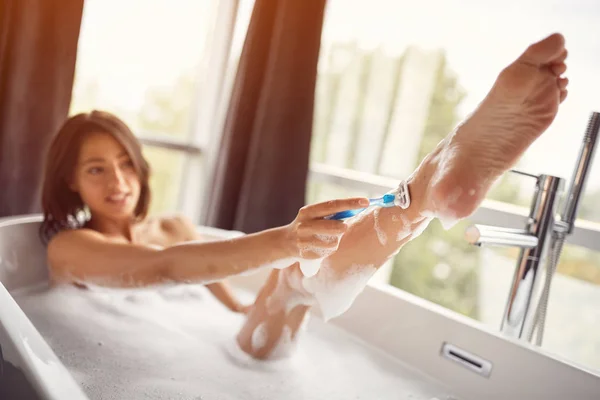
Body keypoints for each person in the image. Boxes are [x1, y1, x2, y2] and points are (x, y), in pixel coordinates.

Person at [42, 33, 569, 359]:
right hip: (143, 362)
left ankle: (426, 194)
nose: (118, 182)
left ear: (141, 167)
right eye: (96, 169)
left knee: (289, 281)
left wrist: (273, 292)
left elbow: (229, 306)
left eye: (126, 164)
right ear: (70, 181)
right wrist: (287, 242)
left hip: (214, 352)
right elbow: (165, 269)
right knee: (288, 274)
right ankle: (430, 185)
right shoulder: (67, 249)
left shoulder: (173, 226)